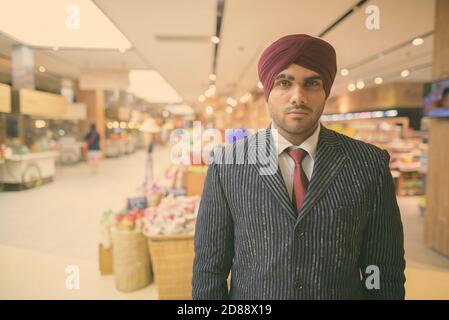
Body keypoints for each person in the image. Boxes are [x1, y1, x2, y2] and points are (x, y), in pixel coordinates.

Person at [192, 34, 406, 300]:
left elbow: (383, 270)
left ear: (325, 91)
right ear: (268, 91)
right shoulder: (227, 165)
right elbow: (209, 270)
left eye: (312, 83)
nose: (298, 97)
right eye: (284, 82)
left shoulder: (368, 164)